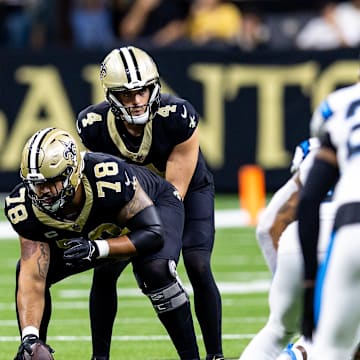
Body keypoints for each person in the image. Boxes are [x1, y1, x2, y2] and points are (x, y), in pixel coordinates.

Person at [76, 45, 223, 360]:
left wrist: (148, 240)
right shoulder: (93, 125)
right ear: (111, 95)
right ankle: (99, 356)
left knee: (195, 265)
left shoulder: (177, 116)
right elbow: (109, 185)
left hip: (185, 191)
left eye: (143, 91)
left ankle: (216, 355)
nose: (138, 100)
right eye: (127, 94)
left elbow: (173, 194)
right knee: (106, 270)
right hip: (130, 199)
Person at [4, 127, 200, 360]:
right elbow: (32, 275)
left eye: (51, 182)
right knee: (32, 271)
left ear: (72, 174)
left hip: (155, 207)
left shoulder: (108, 178)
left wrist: (98, 248)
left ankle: (192, 357)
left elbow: (152, 232)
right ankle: (39, 351)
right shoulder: (24, 207)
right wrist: (29, 336)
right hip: (101, 229)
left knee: (155, 271)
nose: (43, 192)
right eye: (36, 184)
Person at [238, 138, 336, 360]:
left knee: (277, 331)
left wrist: (283, 279)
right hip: (344, 240)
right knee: (340, 336)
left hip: (297, 241)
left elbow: (268, 227)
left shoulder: (316, 151)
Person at [298, 81, 360, 359]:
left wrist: (309, 285)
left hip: (351, 229)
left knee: (332, 350)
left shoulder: (338, 103)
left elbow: (310, 200)